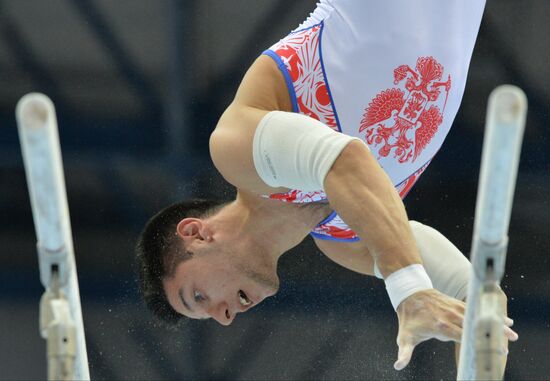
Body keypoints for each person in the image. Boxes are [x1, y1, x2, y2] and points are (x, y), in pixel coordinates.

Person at [136, 0, 518, 371]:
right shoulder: (346, 241)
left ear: (197, 234)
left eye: (198, 296)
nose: (223, 317)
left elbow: (341, 158)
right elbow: (476, 298)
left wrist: (410, 290)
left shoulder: (236, 153)